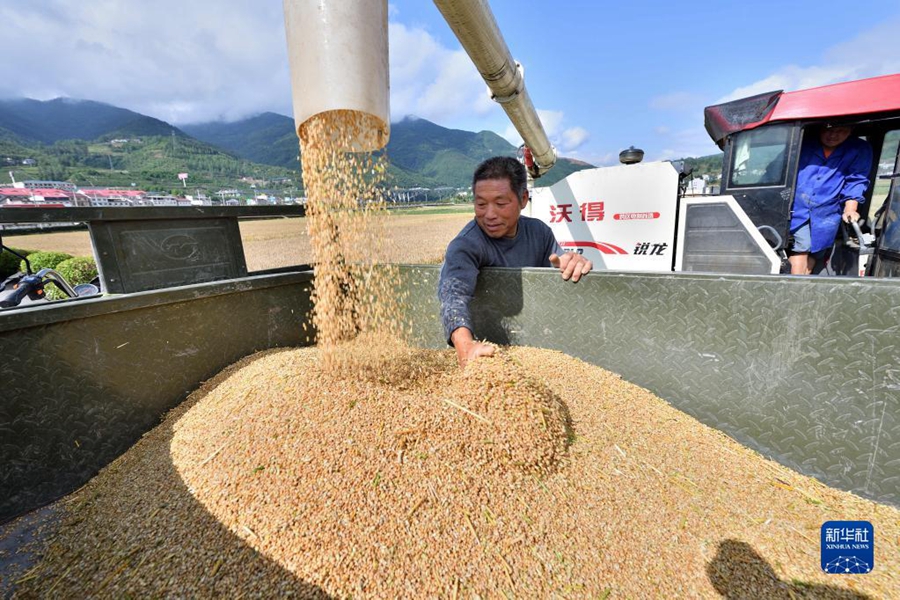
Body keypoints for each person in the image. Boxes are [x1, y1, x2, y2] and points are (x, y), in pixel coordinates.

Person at [438, 156, 592, 367]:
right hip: (487, 345)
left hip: (538, 344)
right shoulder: (466, 244)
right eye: (481, 204)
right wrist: (466, 345)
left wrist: (570, 264)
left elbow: (559, 264)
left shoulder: (539, 232)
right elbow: (453, 296)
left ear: (523, 199)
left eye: (501, 203)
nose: (489, 214)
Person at [789, 124, 873, 275]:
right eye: (828, 129)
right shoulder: (803, 143)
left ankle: (802, 285)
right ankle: (792, 290)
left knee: (816, 252)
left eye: (841, 130)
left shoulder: (859, 149)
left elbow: (856, 180)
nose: (833, 135)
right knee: (801, 247)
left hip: (827, 212)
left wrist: (850, 208)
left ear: (851, 130)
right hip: (797, 207)